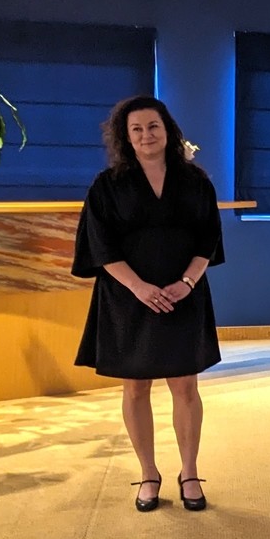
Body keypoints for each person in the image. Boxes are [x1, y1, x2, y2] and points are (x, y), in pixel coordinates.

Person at [73, 96, 224, 513]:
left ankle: (189, 472)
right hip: (128, 297)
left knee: (185, 386)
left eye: (153, 126)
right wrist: (138, 287)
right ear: (125, 136)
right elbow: (100, 245)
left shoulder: (195, 182)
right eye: (136, 129)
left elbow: (208, 238)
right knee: (136, 387)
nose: (146, 135)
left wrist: (187, 283)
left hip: (182, 295)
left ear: (167, 129)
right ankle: (148, 473)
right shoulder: (106, 185)